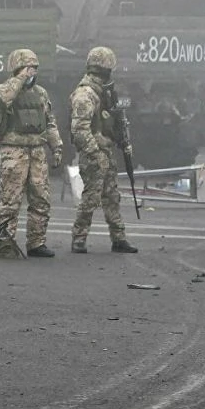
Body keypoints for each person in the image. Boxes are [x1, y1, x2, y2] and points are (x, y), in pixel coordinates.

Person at [0, 48, 63, 258]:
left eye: (34, 69)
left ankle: (37, 242)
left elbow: (50, 123)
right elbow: (4, 99)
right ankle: (5, 244)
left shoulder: (41, 94)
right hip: (14, 151)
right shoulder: (1, 90)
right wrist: (20, 78)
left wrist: (56, 147)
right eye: (27, 68)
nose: (31, 73)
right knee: (10, 200)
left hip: (37, 152)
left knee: (41, 199)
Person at [68, 46, 137, 255]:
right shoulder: (85, 94)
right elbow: (79, 129)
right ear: (104, 69)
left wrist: (121, 140)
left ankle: (119, 238)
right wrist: (94, 152)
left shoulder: (103, 92)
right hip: (95, 154)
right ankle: (78, 240)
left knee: (112, 197)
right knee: (91, 198)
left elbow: (110, 123)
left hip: (104, 151)